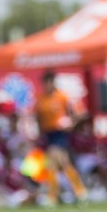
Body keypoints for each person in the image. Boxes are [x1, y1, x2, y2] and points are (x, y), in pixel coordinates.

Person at [35, 70, 87, 205]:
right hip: (48, 134)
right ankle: (79, 192)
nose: (47, 85)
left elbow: (78, 113)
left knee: (54, 162)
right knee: (63, 164)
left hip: (60, 134)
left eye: (49, 81)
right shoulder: (41, 99)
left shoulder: (62, 97)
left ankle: (53, 196)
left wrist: (70, 123)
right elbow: (38, 118)